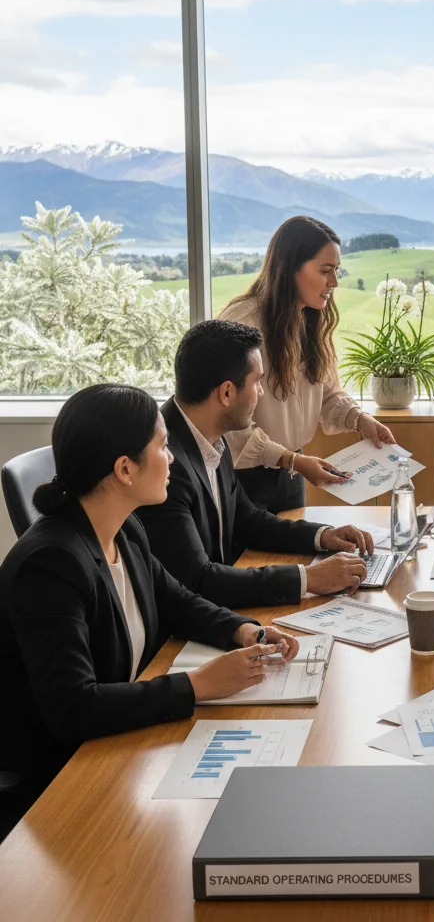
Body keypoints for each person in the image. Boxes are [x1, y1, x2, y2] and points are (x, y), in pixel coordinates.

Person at [0, 384, 300, 837]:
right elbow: (73, 708)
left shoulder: (124, 529)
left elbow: (176, 599)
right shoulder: (51, 564)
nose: (173, 457)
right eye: (162, 446)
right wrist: (198, 685)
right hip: (62, 784)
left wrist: (244, 631)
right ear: (124, 469)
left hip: (123, 744)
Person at [135, 320, 373, 609]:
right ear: (226, 393)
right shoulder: (167, 464)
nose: (261, 393)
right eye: (257, 382)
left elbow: (249, 522)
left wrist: (323, 536)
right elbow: (198, 581)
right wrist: (308, 579)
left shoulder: (211, 437)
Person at [219, 215, 396, 512]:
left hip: (291, 473)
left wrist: (359, 419)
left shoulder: (310, 321)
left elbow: (327, 392)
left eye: (336, 270)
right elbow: (228, 422)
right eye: (325, 271)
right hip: (245, 480)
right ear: (289, 269)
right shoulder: (242, 324)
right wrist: (291, 460)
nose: (334, 282)